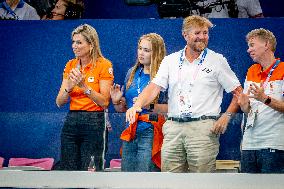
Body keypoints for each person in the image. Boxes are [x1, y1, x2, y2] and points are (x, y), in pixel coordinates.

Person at [126, 15, 242, 173]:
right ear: (185, 35)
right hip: (173, 127)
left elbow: (238, 93)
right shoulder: (170, 60)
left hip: (203, 129)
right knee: (169, 180)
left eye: (205, 33)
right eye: (197, 33)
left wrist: (226, 116)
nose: (202, 37)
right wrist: (137, 105)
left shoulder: (217, 60)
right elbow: (154, 87)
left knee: (202, 182)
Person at [56, 24, 114, 171]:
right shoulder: (70, 65)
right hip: (72, 120)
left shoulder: (104, 64)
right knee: (68, 169)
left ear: (91, 45)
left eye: (79, 42)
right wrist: (69, 87)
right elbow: (59, 102)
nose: (74, 46)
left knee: (89, 170)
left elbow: (105, 102)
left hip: (95, 121)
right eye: (73, 42)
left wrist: (84, 87)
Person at [110, 33, 168, 172]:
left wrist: (149, 105)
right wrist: (117, 101)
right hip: (130, 130)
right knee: (127, 175)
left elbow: (172, 108)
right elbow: (124, 109)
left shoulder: (164, 75)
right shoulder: (132, 72)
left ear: (157, 52)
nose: (141, 53)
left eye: (146, 50)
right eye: (140, 48)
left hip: (151, 130)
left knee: (145, 176)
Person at [236, 28, 284, 173]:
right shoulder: (251, 70)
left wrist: (264, 98)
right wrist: (244, 105)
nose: (248, 50)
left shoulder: (282, 70)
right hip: (249, 145)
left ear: (267, 44)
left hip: (273, 145)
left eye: (252, 45)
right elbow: (248, 109)